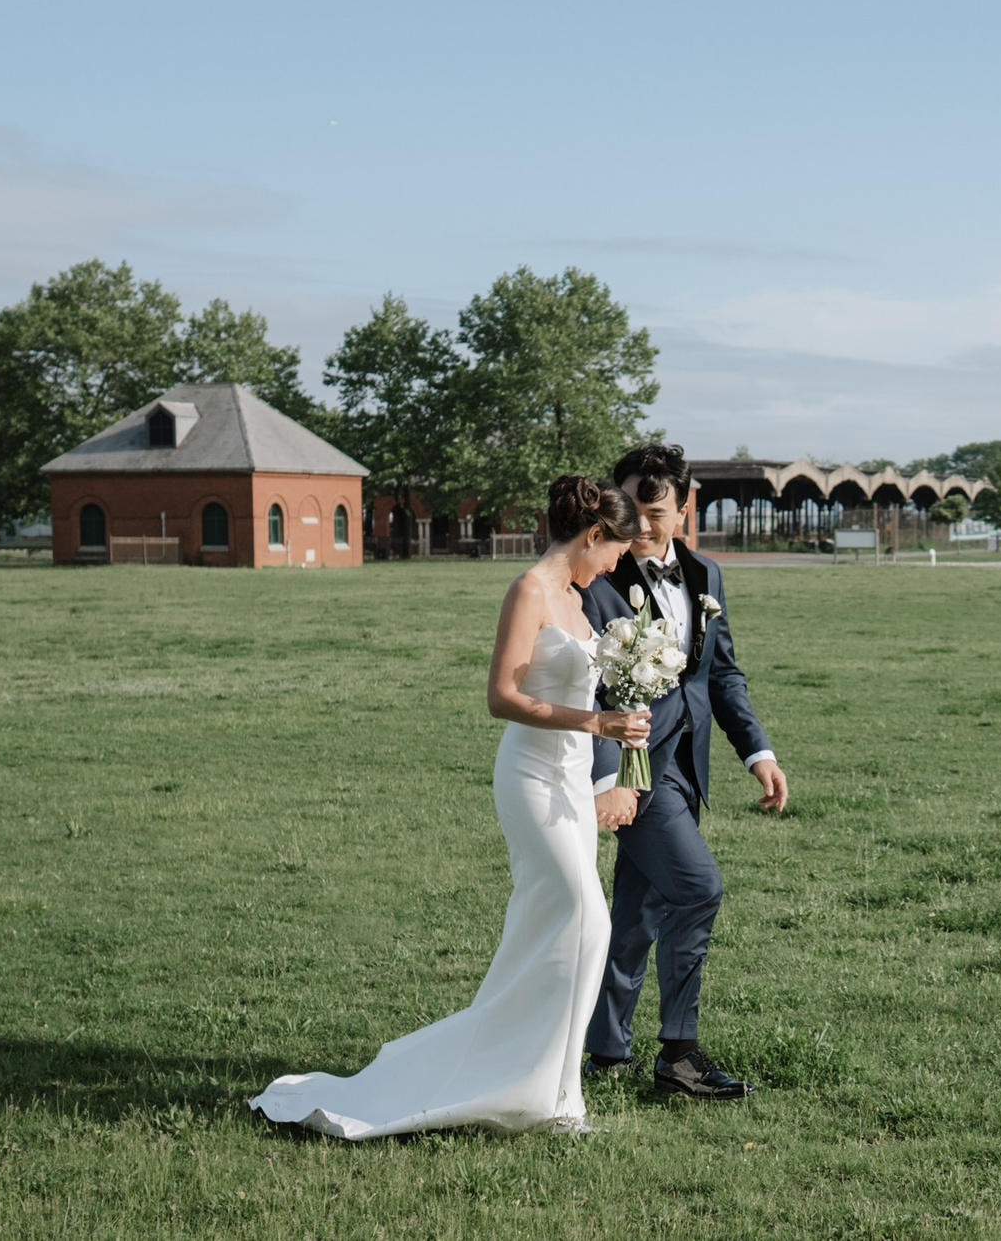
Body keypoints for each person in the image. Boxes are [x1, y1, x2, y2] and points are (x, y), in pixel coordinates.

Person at [250, 477, 651, 1138]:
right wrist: (595, 721)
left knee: (553, 927)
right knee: (589, 921)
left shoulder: (582, 601)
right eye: (614, 550)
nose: (616, 563)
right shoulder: (528, 590)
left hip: (574, 781)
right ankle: (554, 1097)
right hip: (530, 775)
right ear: (592, 535)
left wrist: (617, 725)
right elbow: (500, 694)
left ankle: (550, 1088)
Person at [581, 442, 786, 1101]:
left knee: (638, 915)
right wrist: (608, 778)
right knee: (697, 888)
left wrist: (758, 752)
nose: (641, 525)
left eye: (656, 510)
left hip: (688, 769)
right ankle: (680, 1053)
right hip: (637, 776)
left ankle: (607, 1050)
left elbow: (721, 674)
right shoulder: (600, 583)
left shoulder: (706, 575)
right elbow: (587, 691)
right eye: (631, 509)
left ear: (684, 507)